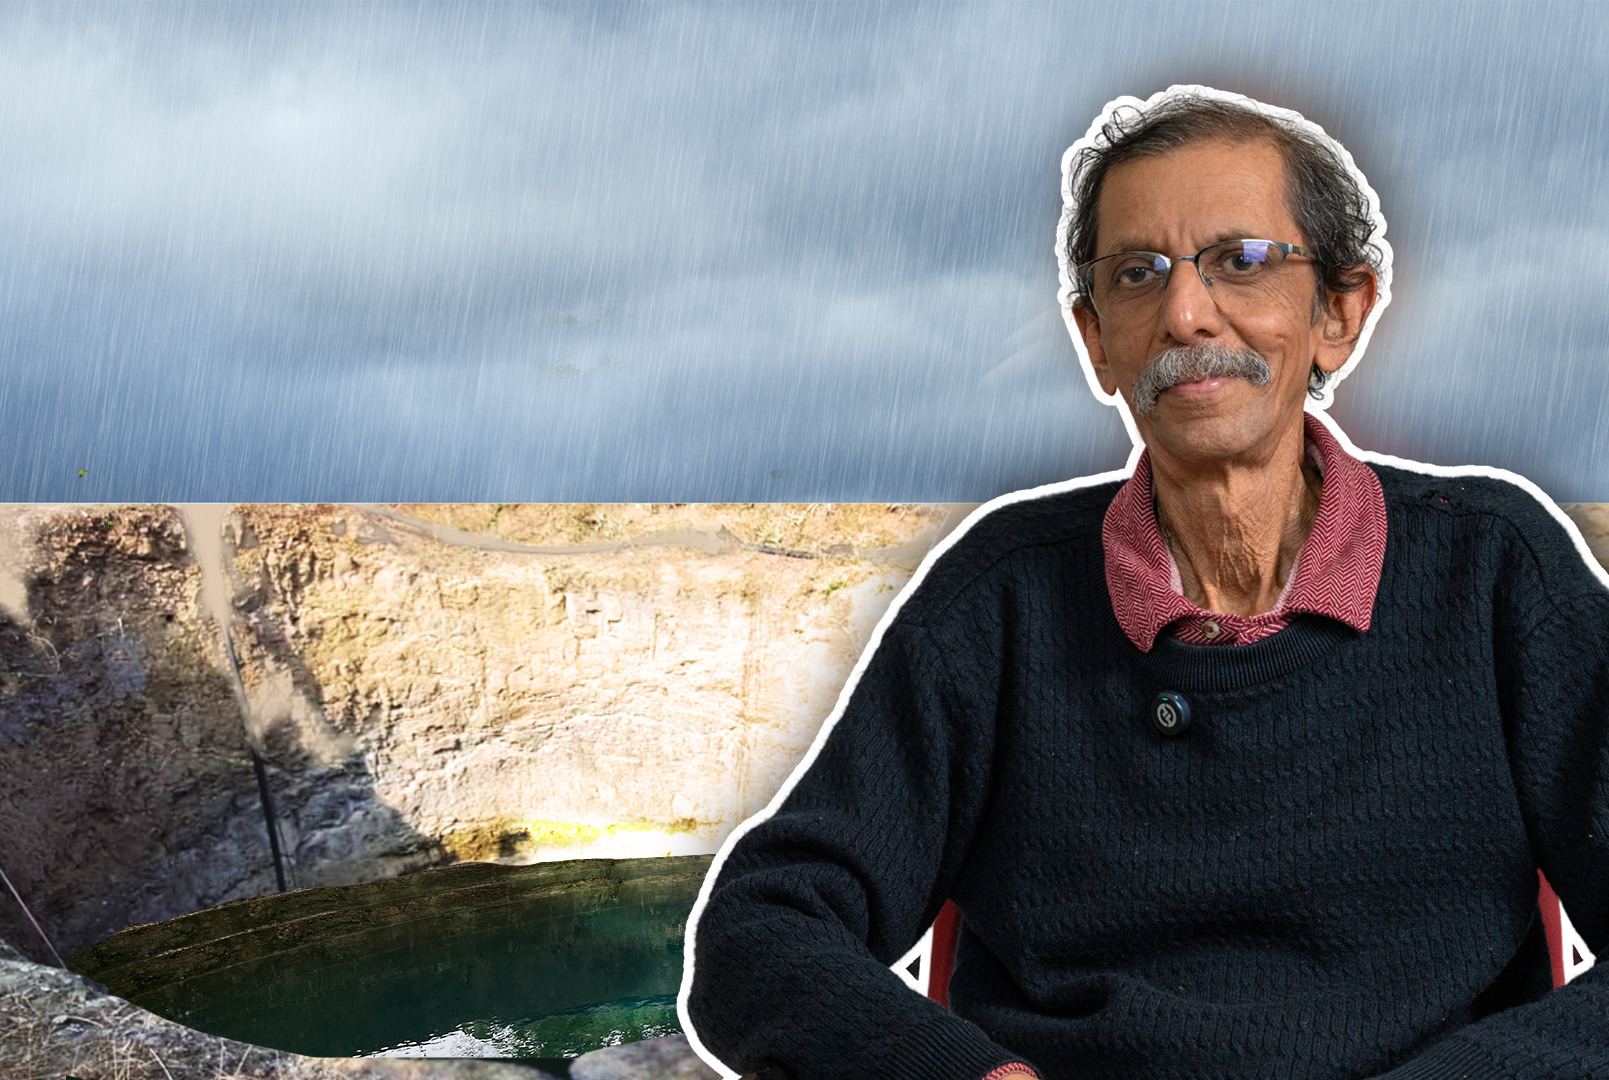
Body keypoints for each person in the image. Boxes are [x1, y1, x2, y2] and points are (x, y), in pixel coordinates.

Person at [677, 85, 1609, 1080]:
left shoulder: (1493, 569)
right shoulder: (1000, 598)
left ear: (1340, 311)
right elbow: (758, 931)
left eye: (1242, 261)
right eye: (1137, 274)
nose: (1185, 313)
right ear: (1096, 340)